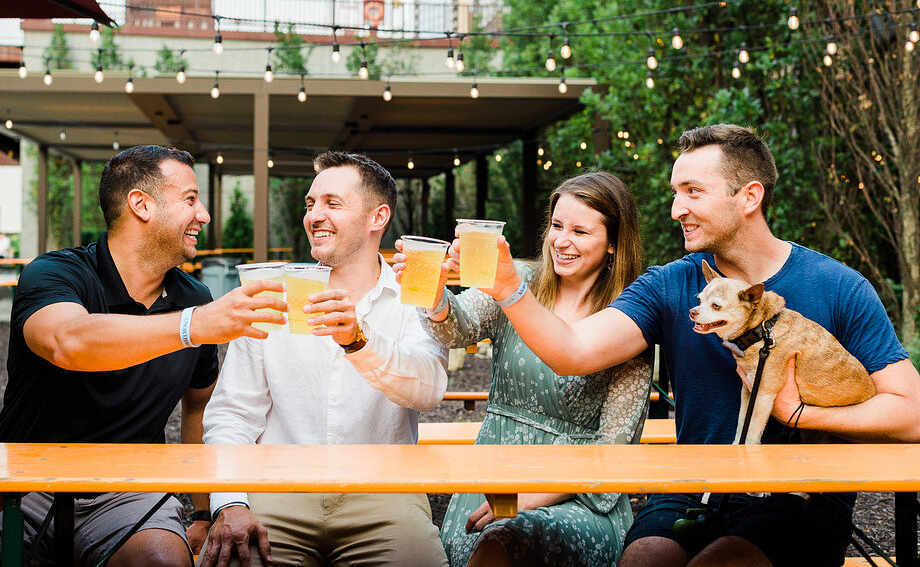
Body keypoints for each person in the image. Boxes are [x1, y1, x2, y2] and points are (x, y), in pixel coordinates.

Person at [471, 125, 920, 567]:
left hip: (797, 498)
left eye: (692, 192)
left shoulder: (838, 287)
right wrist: (511, 287)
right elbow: (573, 352)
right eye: (674, 193)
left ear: (749, 197)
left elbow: (912, 412)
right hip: (691, 490)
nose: (675, 209)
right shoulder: (670, 285)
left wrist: (802, 415)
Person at [0, 145, 285, 567]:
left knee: (164, 562)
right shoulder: (55, 272)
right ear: (141, 204)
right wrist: (195, 326)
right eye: (190, 200)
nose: (204, 215)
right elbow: (69, 341)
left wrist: (202, 511)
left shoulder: (194, 297)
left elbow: (199, 406)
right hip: (21, 483)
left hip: (129, 492)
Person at [200, 151, 449, 567]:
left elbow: (429, 391)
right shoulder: (272, 295)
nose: (315, 215)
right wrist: (229, 504)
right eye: (310, 204)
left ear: (378, 218)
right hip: (276, 496)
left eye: (333, 203)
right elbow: (232, 415)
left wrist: (357, 342)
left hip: (385, 497)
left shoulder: (417, 294)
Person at [396, 171, 651, 567]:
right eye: (557, 225)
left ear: (614, 244)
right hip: (494, 471)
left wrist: (528, 497)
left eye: (580, 232)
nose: (561, 241)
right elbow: (457, 328)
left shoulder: (628, 320)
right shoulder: (519, 279)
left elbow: (614, 449)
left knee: (505, 540)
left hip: (574, 495)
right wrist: (435, 297)